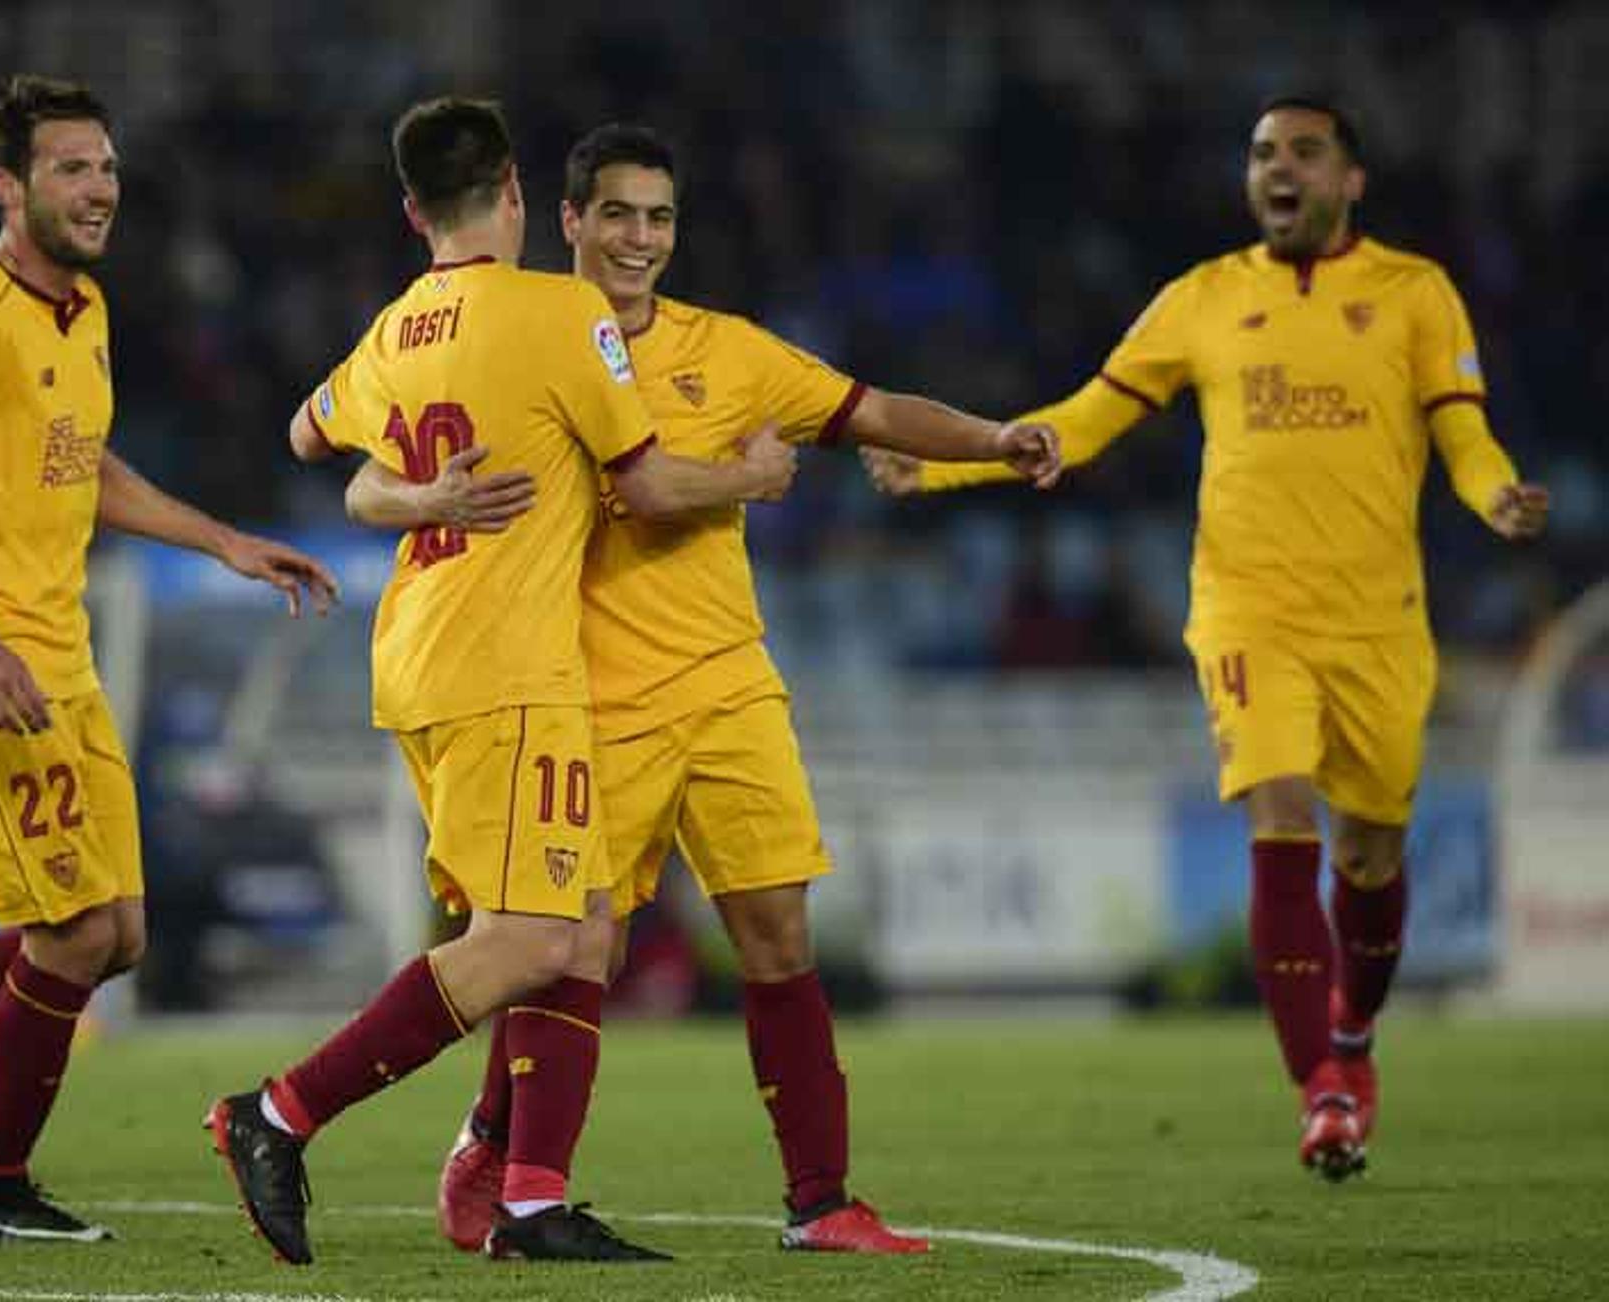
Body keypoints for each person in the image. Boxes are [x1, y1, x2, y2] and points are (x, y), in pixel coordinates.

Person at [347, 123, 1059, 1254]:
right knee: (571, 950)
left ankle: (821, 1202)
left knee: (778, 934)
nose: (640, 238)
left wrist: (995, 437)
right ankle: (507, 1158)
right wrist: (742, 480)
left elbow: (870, 410)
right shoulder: (517, 333)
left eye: (660, 217)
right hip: (582, 694)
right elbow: (376, 471)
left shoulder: (728, 351)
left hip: (727, 685)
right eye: (618, 214)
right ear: (566, 219)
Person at [865, 97, 1550, 1181]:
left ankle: (1355, 1038)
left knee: (1370, 858)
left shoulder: (1416, 293)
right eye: (1263, 153)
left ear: (1351, 180)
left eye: (1305, 152)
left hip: (1380, 622)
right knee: (1280, 812)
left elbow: (1460, 431)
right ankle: (1319, 1088)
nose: (1279, 169)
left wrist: (1497, 495)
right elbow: (1088, 417)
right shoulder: (1204, 298)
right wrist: (949, 462)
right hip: (1248, 607)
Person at [205, 98, 798, 1268]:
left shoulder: (398, 327)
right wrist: (755, 472)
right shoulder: (564, 312)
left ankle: (530, 1202)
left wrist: (416, 497)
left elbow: (307, 441)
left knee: (581, 930)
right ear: (519, 194)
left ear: (415, 211)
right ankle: (277, 1115)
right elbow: (653, 487)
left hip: (419, 653)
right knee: (532, 940)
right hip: (510, 667)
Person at [0, 74, 338, 1243]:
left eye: (106, 167)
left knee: (121, 936)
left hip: (62, 662)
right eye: (71, 169)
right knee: (77, 933)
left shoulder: (83, 308)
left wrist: (224, 539)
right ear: (8, 186)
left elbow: (82, 463)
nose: (100, 189)